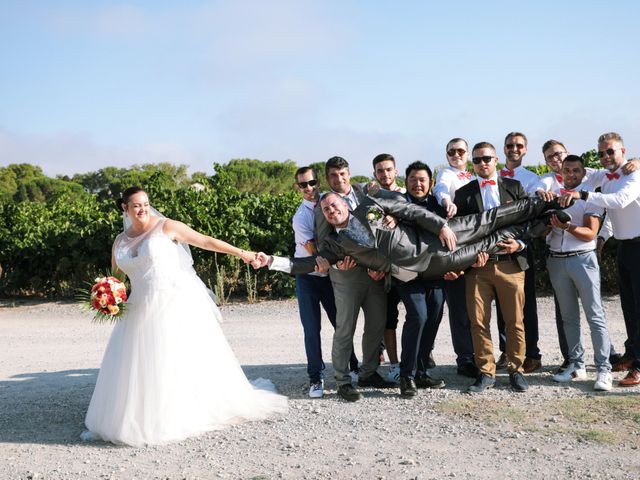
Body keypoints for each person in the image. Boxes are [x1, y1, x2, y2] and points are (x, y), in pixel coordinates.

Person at [82, 187, 287, 447]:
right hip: (139, 308)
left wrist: (242, 253)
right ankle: (142, 416)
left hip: (173, 301)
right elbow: (117, 279)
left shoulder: (167, 227)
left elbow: (205, 240)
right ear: (124, 208)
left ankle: (180, 412)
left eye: (146, 203)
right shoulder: (119, 242)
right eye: (136, 205)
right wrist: (107, 296)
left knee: (173, 358)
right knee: (142, 363)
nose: (143, 209)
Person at [559, 132, 640, 387]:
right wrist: (604, 237)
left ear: (623, 152)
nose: (605, 156)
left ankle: (639, 367)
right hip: (624, 247)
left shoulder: (634, 174)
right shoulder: (603, 175)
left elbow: (619, 201)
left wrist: (584, 196)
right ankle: (631, 354)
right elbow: (576, 172)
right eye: (601, 153)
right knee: (628, 305)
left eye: (610, 152)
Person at [454, 141, 531, 393]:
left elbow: (529, 222)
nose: (482, 163)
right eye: (476, 160)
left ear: (496, 159)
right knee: (478, 322)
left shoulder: (514, 187)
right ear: (472, 164)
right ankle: (486, 372)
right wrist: (470, 257)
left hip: (511, 265)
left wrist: (519, 244)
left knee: (515, 321)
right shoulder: (464, 193)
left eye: (486, 158)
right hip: (478, 269)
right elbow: (461, 233)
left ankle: (516, 370)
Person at [313, 156, 390, 402]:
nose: (339, 179)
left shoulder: (364, 192)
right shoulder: (323, 205)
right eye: (334, 176)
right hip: (346, 275)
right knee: (345, 328)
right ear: (327, 178)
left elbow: (381, 228)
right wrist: (338, 263)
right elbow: (323, 242)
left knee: (377, 324)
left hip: (375, 273)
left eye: (343, 173)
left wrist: (382, 266)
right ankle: (343, 381)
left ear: (349, 173)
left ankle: (368, 372)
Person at [546, 155, 613, 391]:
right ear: (561, 172)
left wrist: (567, 226)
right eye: (567, 170)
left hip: (582, 259)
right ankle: (577, 366)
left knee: (595, 316)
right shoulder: (553, 195)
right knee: (568, 317)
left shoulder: (589, 197)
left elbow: (590, 233)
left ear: (583, 173)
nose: (571, 174)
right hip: (556, 260)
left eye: (576, 170)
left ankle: (604, 369)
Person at [291, 166, 358, 398]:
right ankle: (315, 378)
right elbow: (316, 255)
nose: (309, 188)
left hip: (329, 277)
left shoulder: (330, 202)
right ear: (297, 188)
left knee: (340, 324)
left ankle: (353, 365)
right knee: (312, 329)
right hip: (309, 277)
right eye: (303, 185)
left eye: (312, 182)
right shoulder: (300, 218)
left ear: (318, 182)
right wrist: (338, 262)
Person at [394, 161, 448, 397]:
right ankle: (406, 375)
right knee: (418, 316)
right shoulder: (397, 205)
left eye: (422, 180)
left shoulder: (441, 206)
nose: (418, 184)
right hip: (407, 273)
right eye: (413, 179)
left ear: (431, 183)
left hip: (435, 273)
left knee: (434, 316)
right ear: (406, 182)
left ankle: (422, 372)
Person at [496, 132, 542, 374]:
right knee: (502, 306)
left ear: (525, 150)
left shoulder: (533, 179)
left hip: (521, 247)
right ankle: (506, 351)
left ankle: (532, 353)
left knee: (527, 305)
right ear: (503, 149)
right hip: (496, 247)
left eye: (519, 145)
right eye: (510, 145)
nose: (514, 149)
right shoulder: (492, 175)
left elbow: (533, 213)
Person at [433, 138, 478, 378]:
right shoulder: (446, 175)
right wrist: (447, 201)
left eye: (461, 151)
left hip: (479, 245)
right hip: (457, 247)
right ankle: (465, 358)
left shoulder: (476, 175)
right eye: (452, 151)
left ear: (467, 153)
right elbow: (441, 189)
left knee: (478, 308)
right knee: (459, 307)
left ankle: (483, 355)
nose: (456, 154)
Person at [372, 153, 405, 384]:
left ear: (396, 171)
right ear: (375, 174)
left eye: (388, 170)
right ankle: (394, 364)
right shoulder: (370, 198)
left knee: (418, 315)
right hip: (383, 268)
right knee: (388, 319)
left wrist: (397, 218)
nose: (385, 174)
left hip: (409, 265)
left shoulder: (408, 195)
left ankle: (421, 359)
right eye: (380, 171)